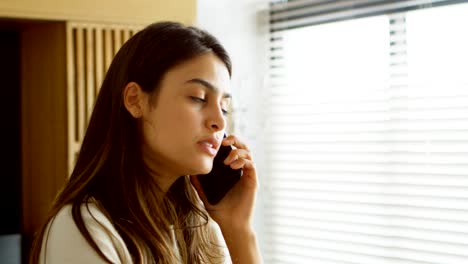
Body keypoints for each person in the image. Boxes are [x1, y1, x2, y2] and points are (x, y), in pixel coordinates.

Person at [29, 21, 262, 264]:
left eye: (224, 108)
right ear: (135, 100)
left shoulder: (201, 230)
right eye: (198, 98)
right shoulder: (83, 230)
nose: (219, 122)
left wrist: (239, 229)